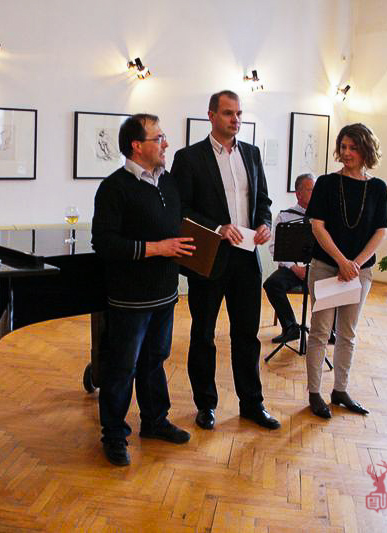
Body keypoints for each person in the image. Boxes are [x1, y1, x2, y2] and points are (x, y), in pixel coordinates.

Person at [171, 90, 279, 431]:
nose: (236, 119)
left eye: (239, 114)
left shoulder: (252, 153)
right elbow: (179, 209)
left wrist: (264, 223)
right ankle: (206, 405)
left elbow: (263, 200)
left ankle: (252, 404)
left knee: (247, 335)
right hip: (209, 258)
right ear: (211, 115)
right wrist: (218, 227)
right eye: (229, 113)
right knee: (203, 334)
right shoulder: (189, 158)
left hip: (247, 258)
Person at [91, 113, 196, 466]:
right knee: (122, 367)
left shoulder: (169, 183)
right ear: (137, 146)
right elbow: (104, 243)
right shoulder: (114, 188)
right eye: (159, 138)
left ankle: (154, 421)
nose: (166, 143)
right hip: (130, 298)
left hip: (165, 293)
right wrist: (157, 248)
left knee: (155, 361)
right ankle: (114, 435)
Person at [304, 123, 387, 419]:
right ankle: (314, 392)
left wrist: (355, 264)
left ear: (366, 150)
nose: (347, 152)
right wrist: (342, 262)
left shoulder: (378, 188)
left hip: (359, 272)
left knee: (348, 333)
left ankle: (340, 390)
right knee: (320, 332)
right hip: (327, 268)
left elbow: (381, 231)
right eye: (343, 147)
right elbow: (317, 226)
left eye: (353, 147)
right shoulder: (327, 183)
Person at [263, 173, 315, 344]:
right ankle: (291, 327)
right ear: (298, 193)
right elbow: (274, 247)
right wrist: (295, 267)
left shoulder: (323, 218)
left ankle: (328, 330)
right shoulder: (285, 216)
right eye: (311, 189)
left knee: (334, 282)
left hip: (316, 268)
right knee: (271, 284)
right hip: (293, 269)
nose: (315, 193)